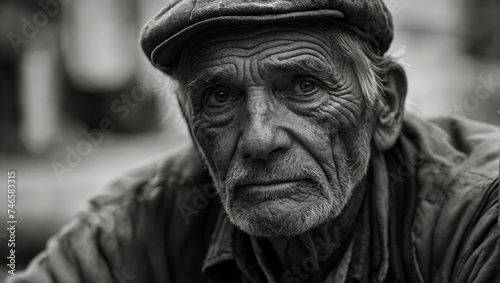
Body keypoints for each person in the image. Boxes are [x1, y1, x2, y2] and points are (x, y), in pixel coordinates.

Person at [11, 0, 499, 282]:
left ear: (386, 105)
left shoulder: (480, 209)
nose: (260, 138)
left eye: (305, 87)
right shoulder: (142, 222)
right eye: (220, 97)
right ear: (187, 119)